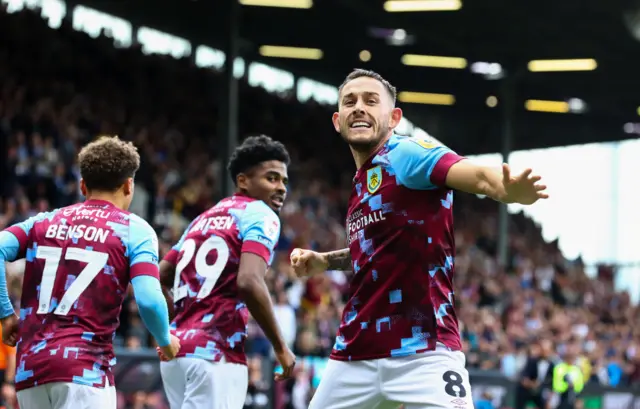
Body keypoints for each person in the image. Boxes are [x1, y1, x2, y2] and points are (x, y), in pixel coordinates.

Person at [290, 69, 549, 409]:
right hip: (355, 352)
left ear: (394, 117)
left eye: (371, 101)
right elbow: (372, 251)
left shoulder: (407, 154)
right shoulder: (360, 183)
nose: (359, 108)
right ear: (338, 121)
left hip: (424, 350)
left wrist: (504, 189)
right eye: (350, 102)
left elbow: (477, 176)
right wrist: (326, 260)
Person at [0, 136, 180, 409]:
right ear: (128, 185)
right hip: (85, 373)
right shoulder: (134, 229)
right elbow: (148, 298)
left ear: (83, 185)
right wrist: (166, 340)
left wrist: (5, 314)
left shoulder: (43, 221)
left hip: (31, 375)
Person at [158, 135, 296, 409]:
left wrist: (178, 324)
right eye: (272, 178)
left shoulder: (202, 219)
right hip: (215, 355)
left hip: (177, 354)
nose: (280, 188)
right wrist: (281, 348)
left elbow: (157, 278)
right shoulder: (261, 214)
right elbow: (248, 281)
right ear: (243, 180)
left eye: (284, 181)